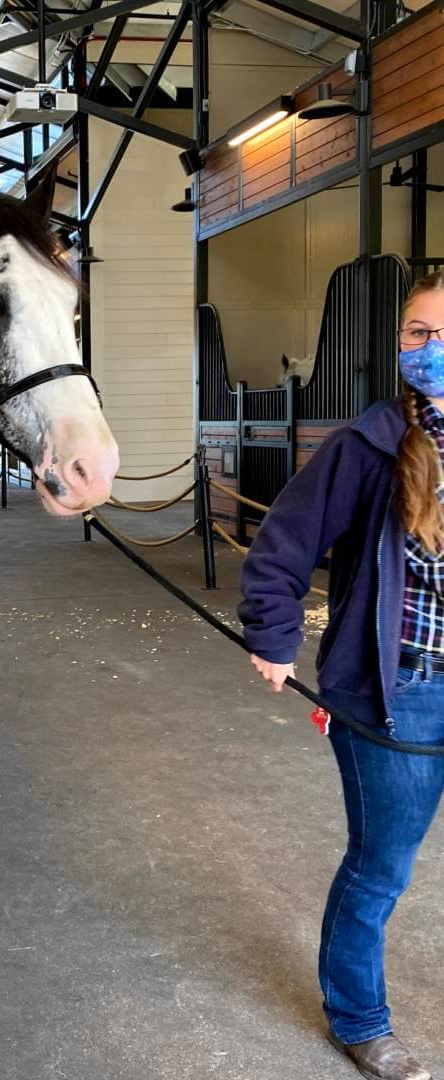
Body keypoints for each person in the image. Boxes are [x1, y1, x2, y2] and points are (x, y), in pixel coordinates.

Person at [239, 271, 444, 1080]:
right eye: (417, 333)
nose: (429, 348)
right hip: (395, 693)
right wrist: (274, 637)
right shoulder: (369, 442)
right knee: (381, 866)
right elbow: (281, 549)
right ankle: (360, 1020)